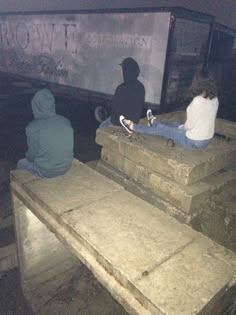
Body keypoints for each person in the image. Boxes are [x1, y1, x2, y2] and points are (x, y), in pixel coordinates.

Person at [119, 73, 219, 149]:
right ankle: (153, 121)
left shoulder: (197, 101)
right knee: (174, 125)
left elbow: (189, 126)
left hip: (193, 141)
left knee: (162, 129)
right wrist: (179, 127)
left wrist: (180, 129)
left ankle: (132, 127)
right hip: (206, 140)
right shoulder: (215, 99)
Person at [17, 89, 74, 177]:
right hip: (66, 167)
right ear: (53, 105)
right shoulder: (65, 121)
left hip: (46, 171)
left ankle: (37, 178)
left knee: (21, 163)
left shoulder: (32, 127)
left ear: (35, 106)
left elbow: (31, 155)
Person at [99, 57, 145, 128]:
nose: (120, 71)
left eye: (122, 69)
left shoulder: (121, 89)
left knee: (101, 128)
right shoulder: (141, 87)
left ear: (126, 71)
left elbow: (115, 110)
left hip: (120, 124)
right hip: (134, 123)